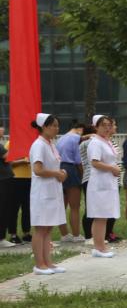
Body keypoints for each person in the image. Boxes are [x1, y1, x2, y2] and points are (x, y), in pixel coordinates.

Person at [28, 113, 69, 274]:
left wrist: (62, 172)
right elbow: (37, 170)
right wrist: (56, 173)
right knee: (41, 228)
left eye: (57, 126)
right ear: (44, 127)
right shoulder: (39, 145)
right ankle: (39, 264)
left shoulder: (51, 144)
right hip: (42, 192)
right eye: (54, 126)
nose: (57, 129)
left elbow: (53, 166)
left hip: (52, 190)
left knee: (48, 228)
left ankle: (48, 262)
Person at [87, 115, 121, 258]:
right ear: (96, 127)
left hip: (108, 182)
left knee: (104, 216)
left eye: (109, 125)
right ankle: (98, 247)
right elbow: (95, 162)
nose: (107, 128)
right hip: (100, 183)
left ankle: (101, 246)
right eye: (103, 125)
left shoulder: (106, 142)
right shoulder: (95, 143)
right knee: (99, 216)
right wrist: (112, 168)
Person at [55, 122, 86, 243]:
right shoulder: (76, 138)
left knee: (62, 205)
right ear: (79, 129)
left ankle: (64, 234)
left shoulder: (61, 139)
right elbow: (78, 161)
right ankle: (76, 235)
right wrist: (82, 175)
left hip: (59, 168)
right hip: (71, 169)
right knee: (75, 206)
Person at [0, 126, 15, 247]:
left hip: (5, 179)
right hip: (3, 180)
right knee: (3, 208)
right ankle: (1, 238)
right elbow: (8, 157)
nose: (3, 130)